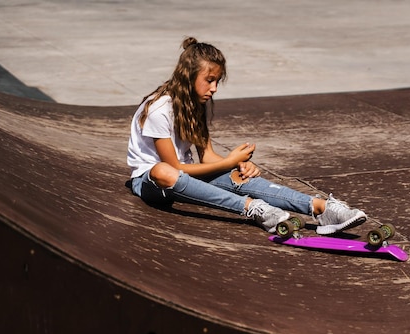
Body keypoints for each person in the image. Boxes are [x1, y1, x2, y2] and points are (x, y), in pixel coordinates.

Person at [127, 37, 366, 234]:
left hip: (184, 176)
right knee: (163, 171)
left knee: (238, 176)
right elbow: (173, 167)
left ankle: (322, 208)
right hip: (151, 181)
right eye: (209, 81)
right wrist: (228, 161)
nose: (214, 89)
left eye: (217, 81)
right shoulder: (159, 109)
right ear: (189, 76)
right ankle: (252, 208)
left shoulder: (194, 105)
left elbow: (207, 157)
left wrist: (237, 165)